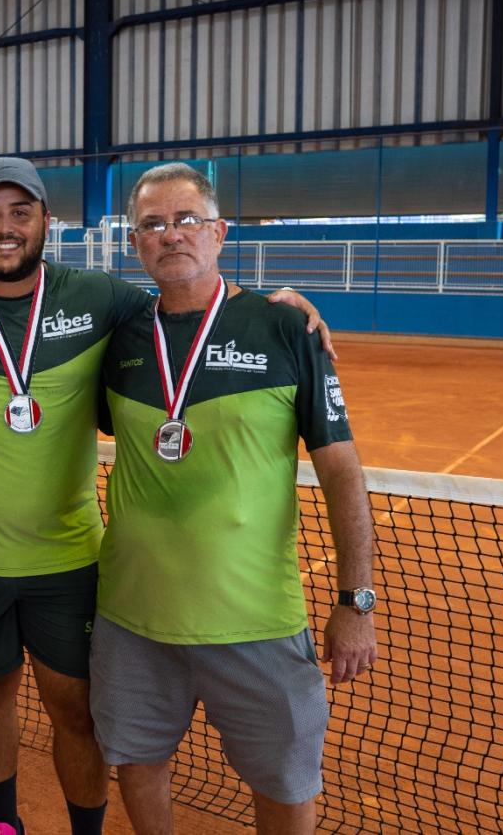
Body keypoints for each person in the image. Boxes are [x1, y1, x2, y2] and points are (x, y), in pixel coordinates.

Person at [0, 157, 334, 835]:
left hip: (68, 558)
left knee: (74, 708)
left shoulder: (99, 298)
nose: (5, 228)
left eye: (20, 212)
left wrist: (275, 305)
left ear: (44, 222)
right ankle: (4, 823)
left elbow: (186, 299)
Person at [90, 162, 380, 835]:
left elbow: (342, 471)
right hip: (132, 619)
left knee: (284, 784)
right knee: (137, 762)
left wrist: (355, 601)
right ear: (136, 244)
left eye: (186, 219)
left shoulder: (285, 329)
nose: (171, 234)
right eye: (153, 224)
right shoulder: (121, 342)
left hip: (258, 622)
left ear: (218, 232)